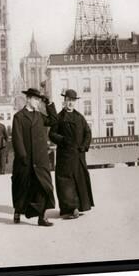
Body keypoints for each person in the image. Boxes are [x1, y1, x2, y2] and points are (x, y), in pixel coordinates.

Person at [11, 88, 58, 227]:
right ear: (28, 99)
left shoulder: (39, 116)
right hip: (25, 160)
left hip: (40, 158)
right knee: (22, 187)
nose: (38, 102)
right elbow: (17, 139)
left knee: (43, 187)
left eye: (39, 100)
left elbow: (53, 121)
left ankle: (42, 217)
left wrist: (49, 104)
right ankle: (18, 211)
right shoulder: (19, 117)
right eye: (36, 99)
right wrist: (23, 156)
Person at [49, 89, 94, 219]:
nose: (70, 103)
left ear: (75, 102)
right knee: (65, 183)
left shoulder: (80, 117)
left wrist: (84, 146)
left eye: (73, 101)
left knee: (79, 181)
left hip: (79, 156)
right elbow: (51, 134)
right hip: (65, 157)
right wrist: (62, 140)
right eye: (68, 100)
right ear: (64, 101)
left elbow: (88, 133)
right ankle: (70, 209)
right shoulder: (59, 117)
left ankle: (79, 206)